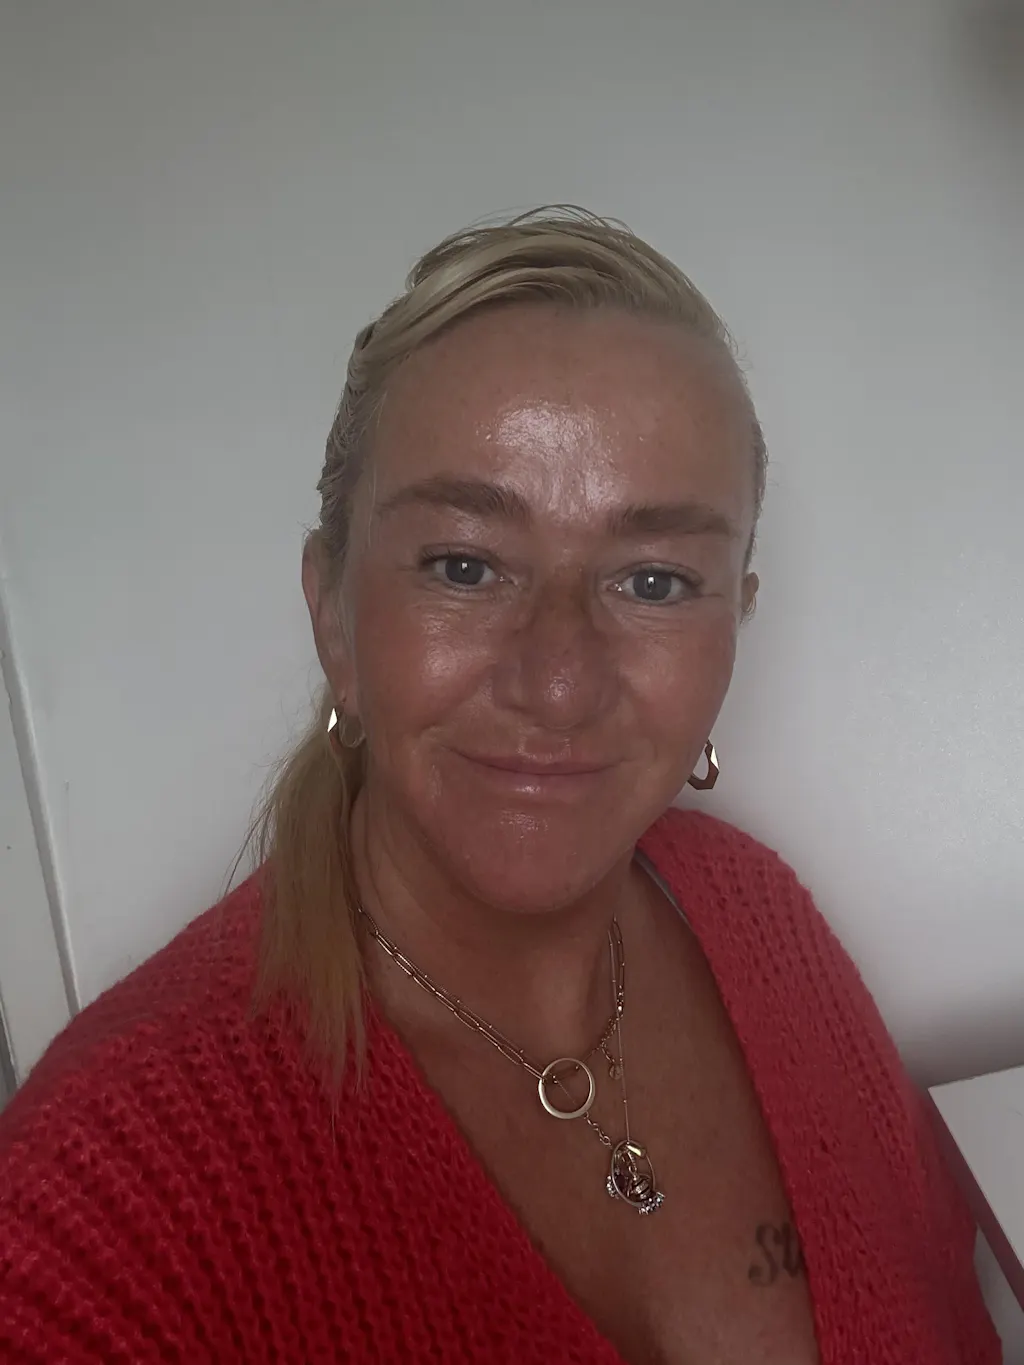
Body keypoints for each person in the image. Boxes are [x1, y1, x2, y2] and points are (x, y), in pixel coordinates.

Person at [0, 208, 1000, 1365]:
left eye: (654, 581)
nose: (559, 682)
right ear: (333, 615)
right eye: (464, 566)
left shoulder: (761, 918)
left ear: (737, 617)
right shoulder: (99, 1198)